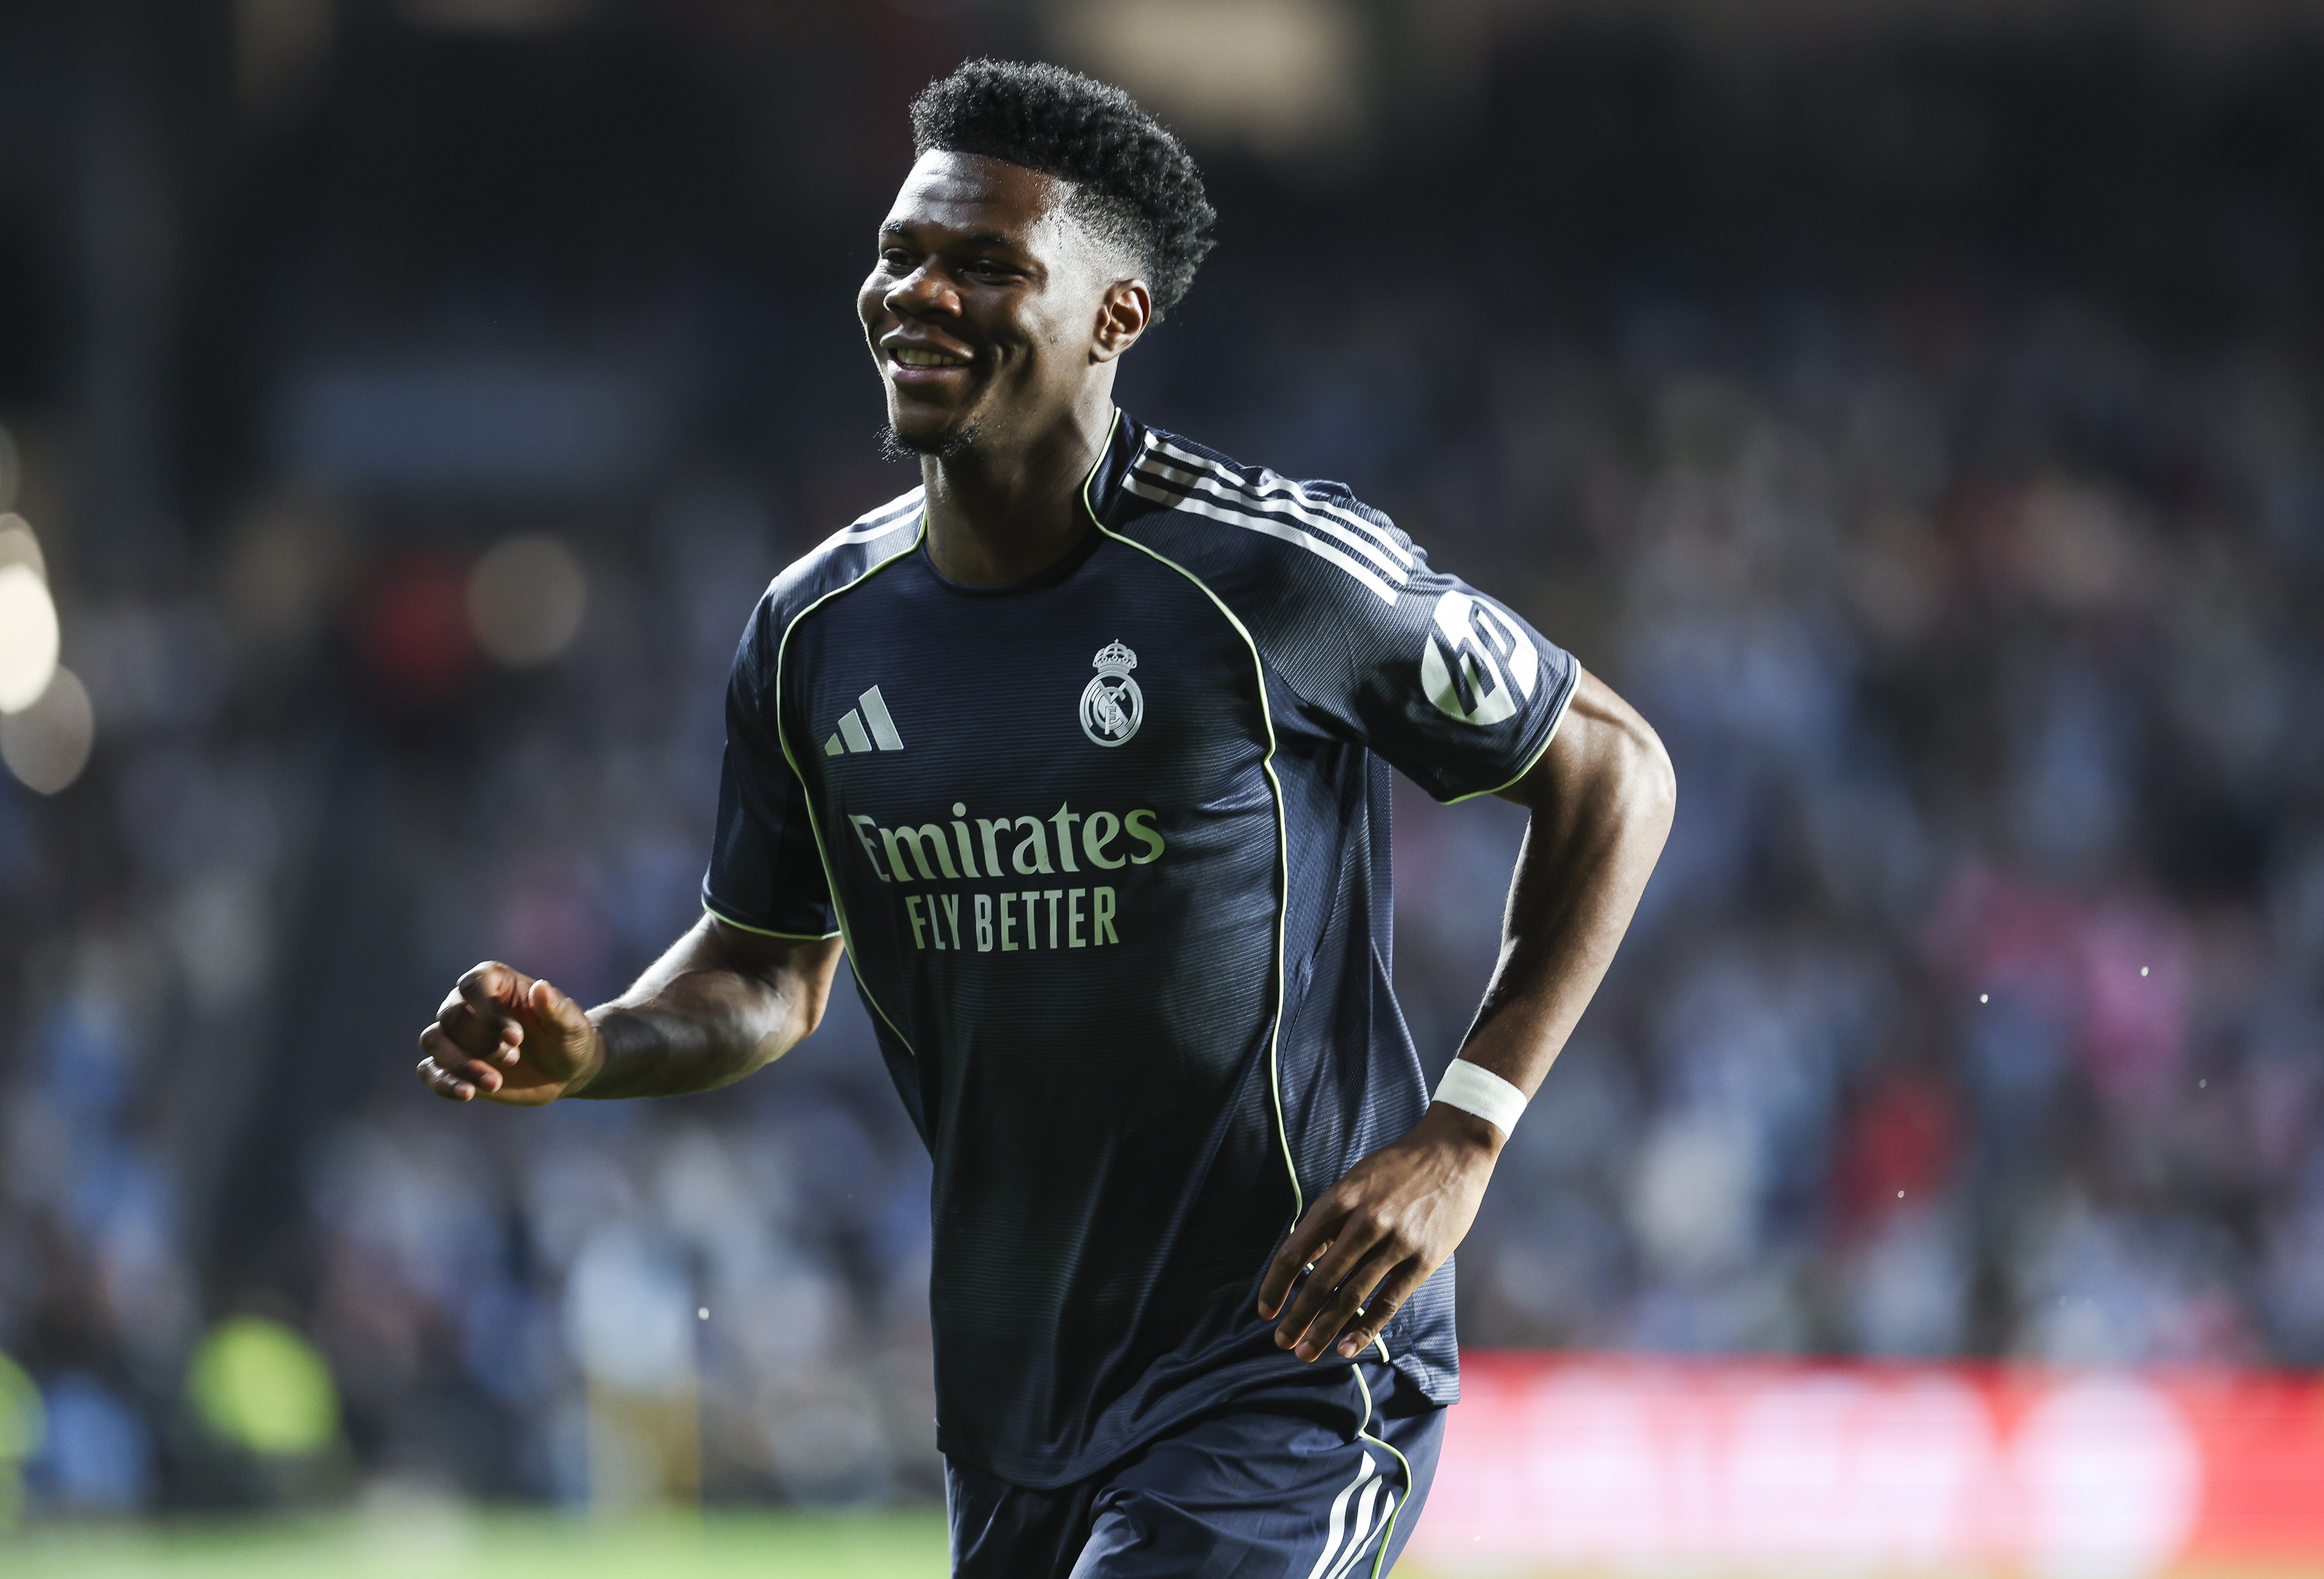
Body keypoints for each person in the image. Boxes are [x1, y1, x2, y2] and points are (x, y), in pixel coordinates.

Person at [416, 59, 1673, 1578]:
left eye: (986, 264)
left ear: (1113, 316)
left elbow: (1614, 769)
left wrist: (1463, 1132)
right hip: (1017, 1399)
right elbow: (765, 970)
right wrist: (600, 1046)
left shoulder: (1270, 573)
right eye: (900, 253)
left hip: (1283, 1361)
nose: (919, 294)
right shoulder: (814, 628)